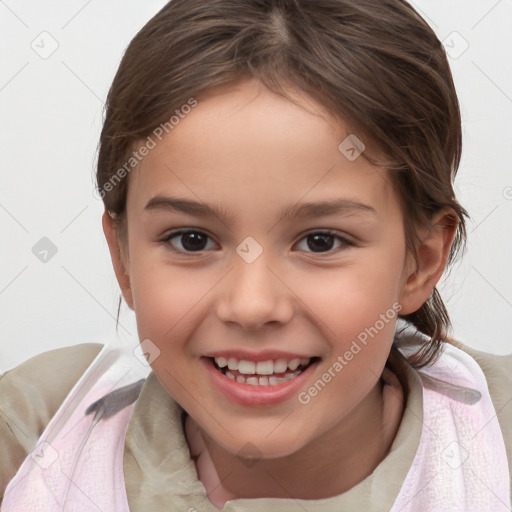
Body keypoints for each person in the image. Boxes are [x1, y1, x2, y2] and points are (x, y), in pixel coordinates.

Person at [1, 0, 511, 510]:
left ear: (419, 263)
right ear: (124, 259)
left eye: (321, 241)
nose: (251, 306)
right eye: (191, 240)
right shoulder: (33, 437)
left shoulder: (498, 441)